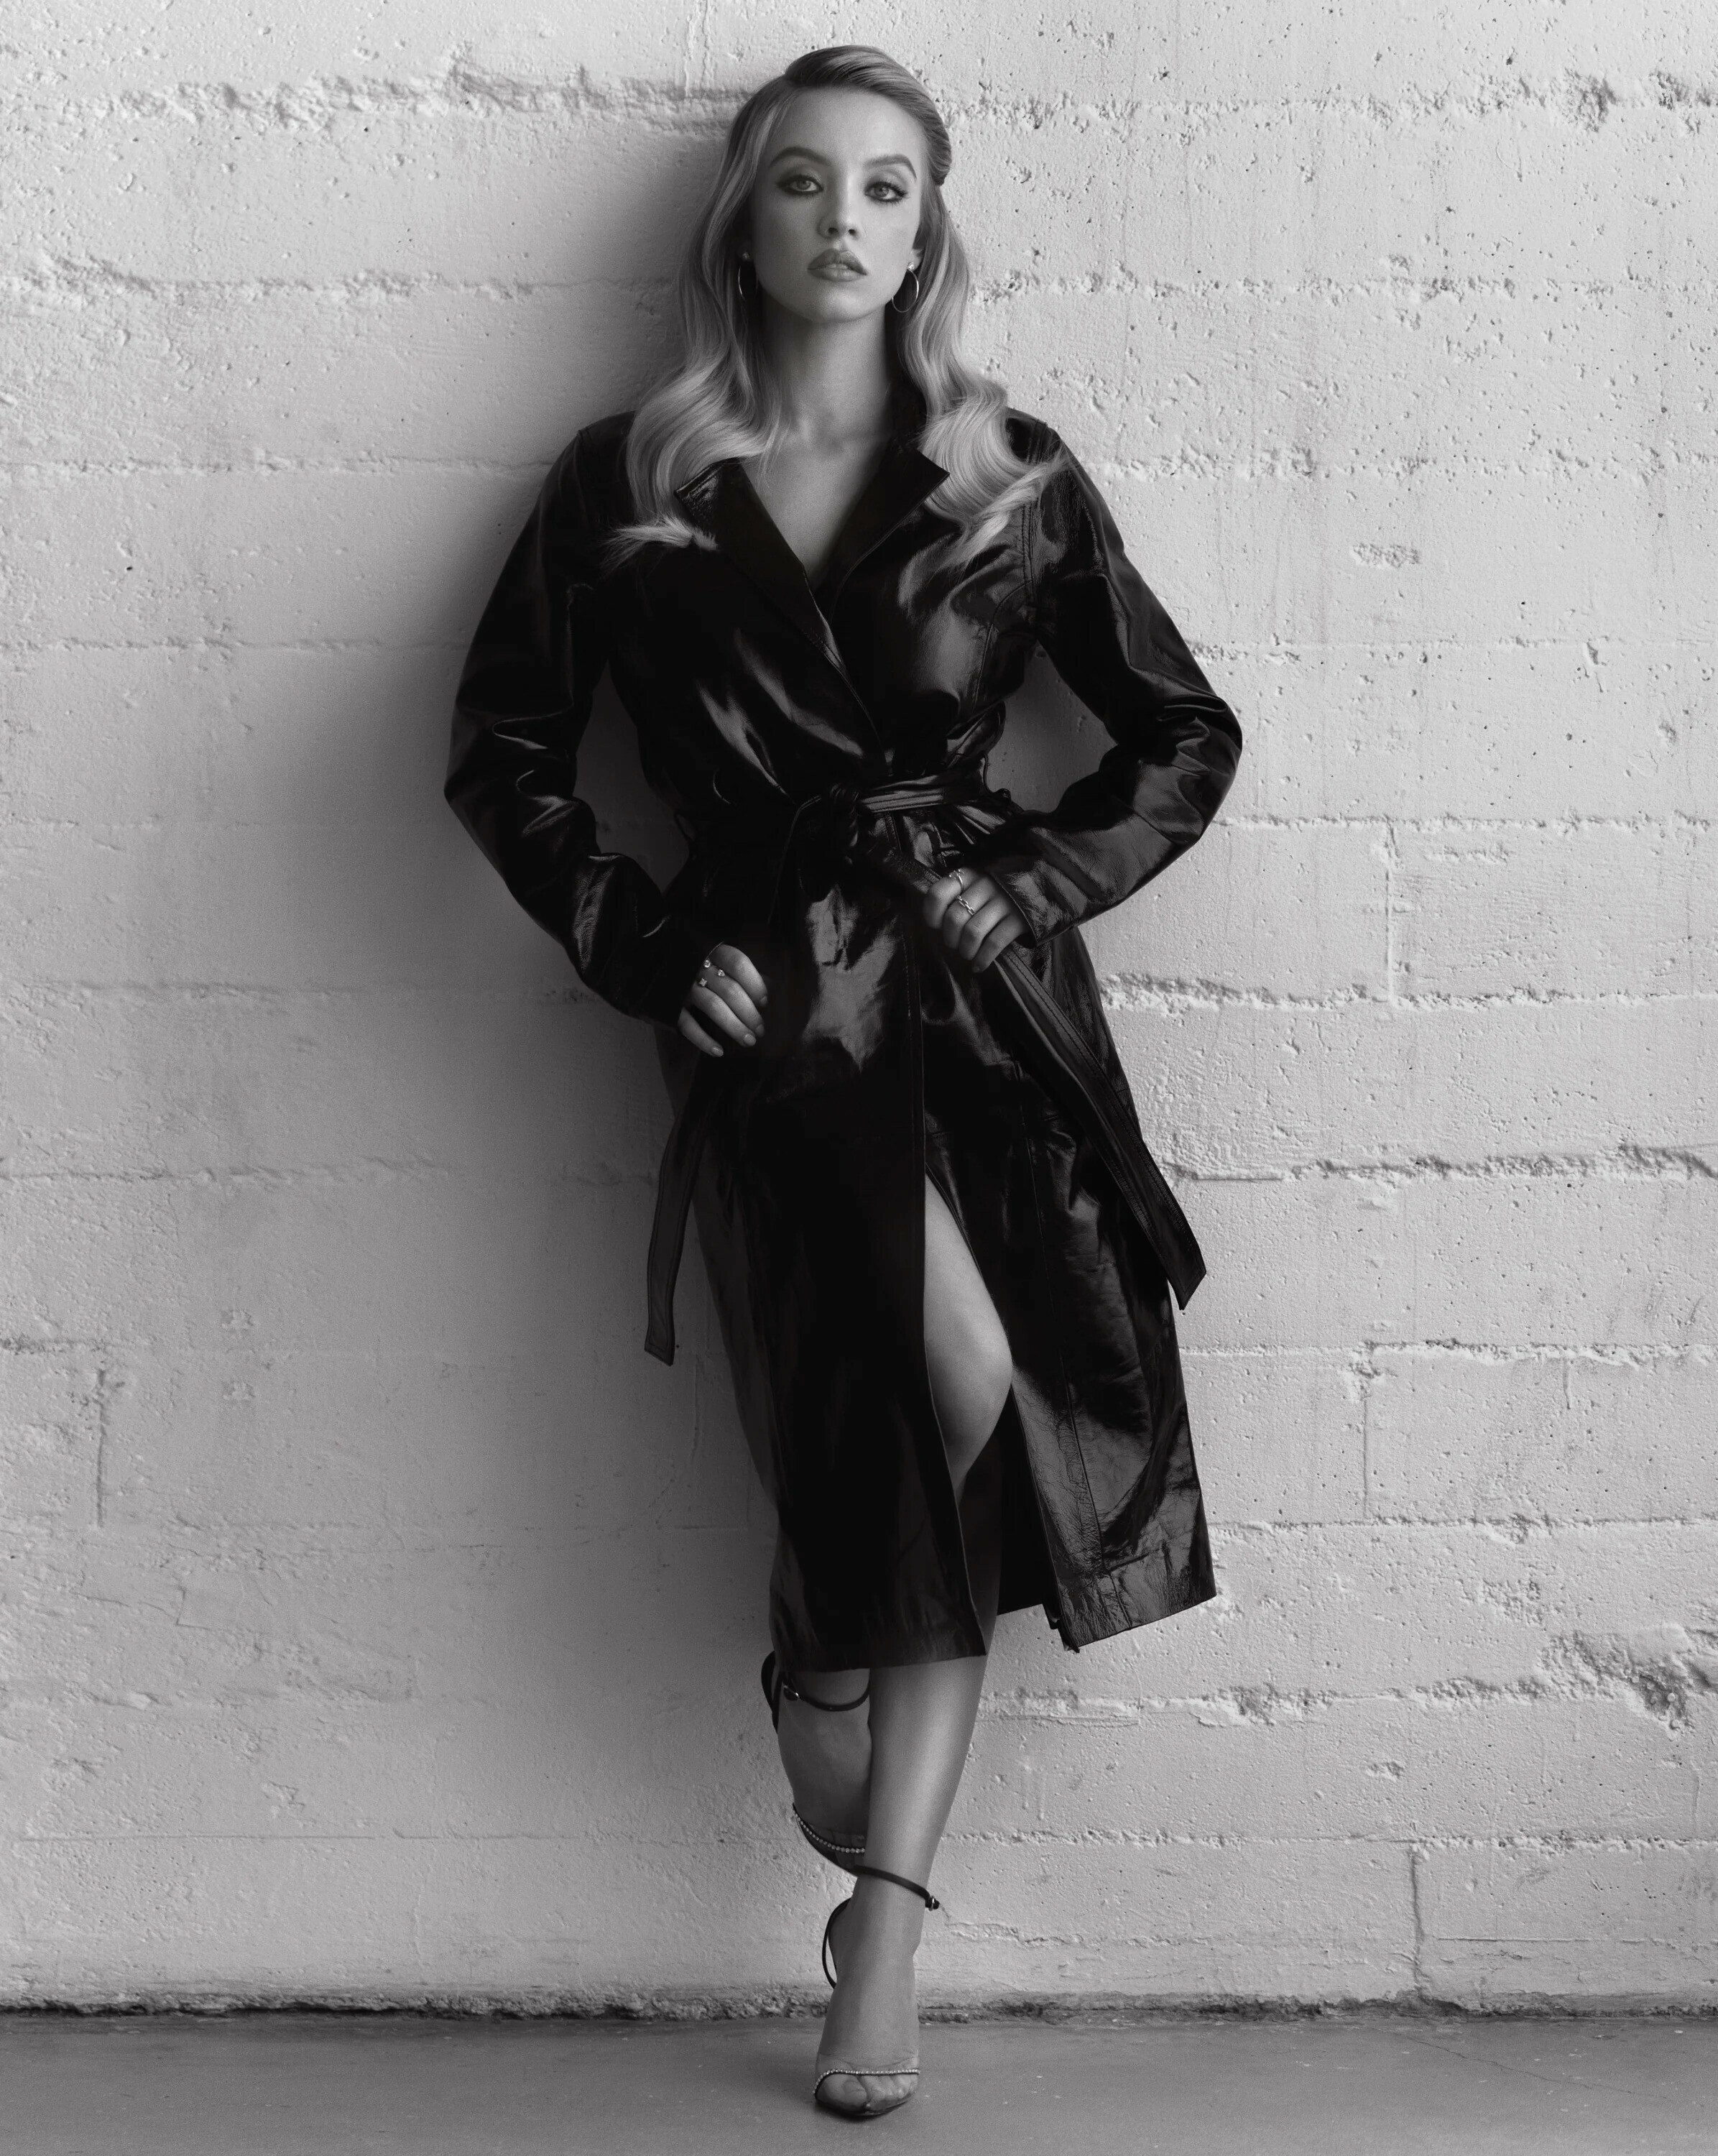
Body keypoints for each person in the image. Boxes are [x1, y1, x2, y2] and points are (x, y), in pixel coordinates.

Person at [445, 43, 1242, 2120]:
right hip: (781, 1008)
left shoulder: (1006, 476)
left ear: (926, 234)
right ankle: (821, 1687)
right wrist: (643, 946)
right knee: (939, 1387)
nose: (844, 218)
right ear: (744, 221)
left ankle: (881, 1919)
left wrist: (1042, 874)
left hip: (981, 1003)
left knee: (949, 1411)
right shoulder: (627, 483)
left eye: (888, 187)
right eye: (804, 180)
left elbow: (1182, 731)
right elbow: (505, 749)